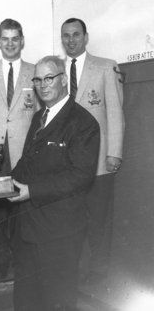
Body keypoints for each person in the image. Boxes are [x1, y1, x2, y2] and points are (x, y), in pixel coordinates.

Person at [9, 56, 100, 310]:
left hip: (60, 233)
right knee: (27, 301)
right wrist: (1, 183)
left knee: (57, 301)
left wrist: (32, 191)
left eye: (49, 78)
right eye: (37, 79)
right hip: (28, 230)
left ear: (63, 80)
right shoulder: (39, 116)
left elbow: (81, 175)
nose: (42, 84)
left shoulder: (83, 123)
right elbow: (26, 163)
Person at [61, 17, 125, 284]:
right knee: (69, 222)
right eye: (66, 35)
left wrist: (115, 153)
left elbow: (115, 112)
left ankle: (99, 274)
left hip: (99, 160)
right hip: (66, 164)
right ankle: (70, 273)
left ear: (86, 37)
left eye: (76, 35)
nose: (71, 40)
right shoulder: (55, 70)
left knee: (99, 220)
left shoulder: (105, 67)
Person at [0, 18, 39, 279]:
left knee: (19, 206)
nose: (10, 43)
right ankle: (1, 259)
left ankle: (19, 257)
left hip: (24, 150)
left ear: (22, 41)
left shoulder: (35, 71)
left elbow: (40, 112)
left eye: (15, 38)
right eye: (5, 38)